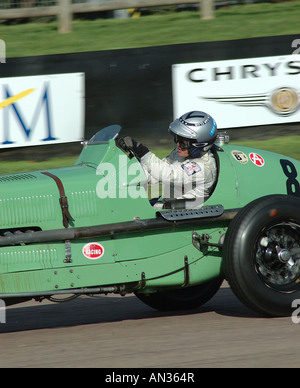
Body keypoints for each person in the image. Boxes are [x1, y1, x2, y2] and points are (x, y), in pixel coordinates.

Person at [118, 111, 218, 209]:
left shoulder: (203, 167)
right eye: (177, 139)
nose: (178, 144)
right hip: (170, 206)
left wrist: (140, 150)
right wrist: (128, 175)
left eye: (184, 142)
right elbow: (156, 172)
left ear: (200, 145)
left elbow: (168, 174)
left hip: (184, 213)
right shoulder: (182, 152)